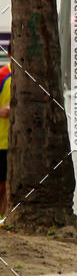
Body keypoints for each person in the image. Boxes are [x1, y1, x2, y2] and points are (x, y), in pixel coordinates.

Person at [0, 49, 11, 219]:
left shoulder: (33, 78)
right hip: (1, 142)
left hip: (20, 144)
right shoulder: (2, 75)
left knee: (10, 186)